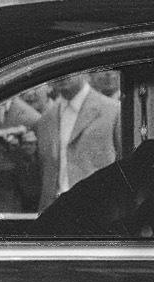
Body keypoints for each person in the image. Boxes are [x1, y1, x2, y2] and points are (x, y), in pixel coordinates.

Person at [30, 67, 121, 208]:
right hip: (54, 215)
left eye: (69, 66)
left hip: (98, 212)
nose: (61, 75)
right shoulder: (46, 119)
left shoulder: (112, 111)